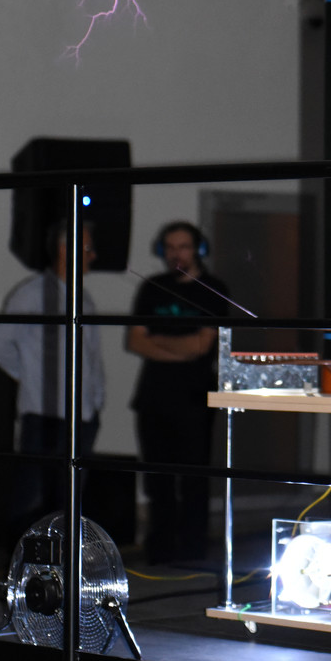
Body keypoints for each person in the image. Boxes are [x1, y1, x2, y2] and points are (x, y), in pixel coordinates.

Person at [0, 221, 104, 547]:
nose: (93, 255)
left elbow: (91, 357)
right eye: (87, 248)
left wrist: (96, 400)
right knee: (33, 499)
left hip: (83, 416)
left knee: (69, 501)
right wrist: (31, 377)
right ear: (66, 250)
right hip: (45, 416)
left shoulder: (84, 297)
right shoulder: (32, 294)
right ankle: (23, 564)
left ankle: (62, 564)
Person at [128, 221, 228, 565]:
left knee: (194, 480)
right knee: (158, 481)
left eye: (183, 247)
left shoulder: (214, 289)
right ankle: (160, 550)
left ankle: (193, 550)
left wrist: (158, 340)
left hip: (194, 399)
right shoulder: (152, 287)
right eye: (170, 247)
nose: (176, 254)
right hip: (152, 398)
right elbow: (135, 341)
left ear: (198, 250)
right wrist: (180, 347)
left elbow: (202, 346)